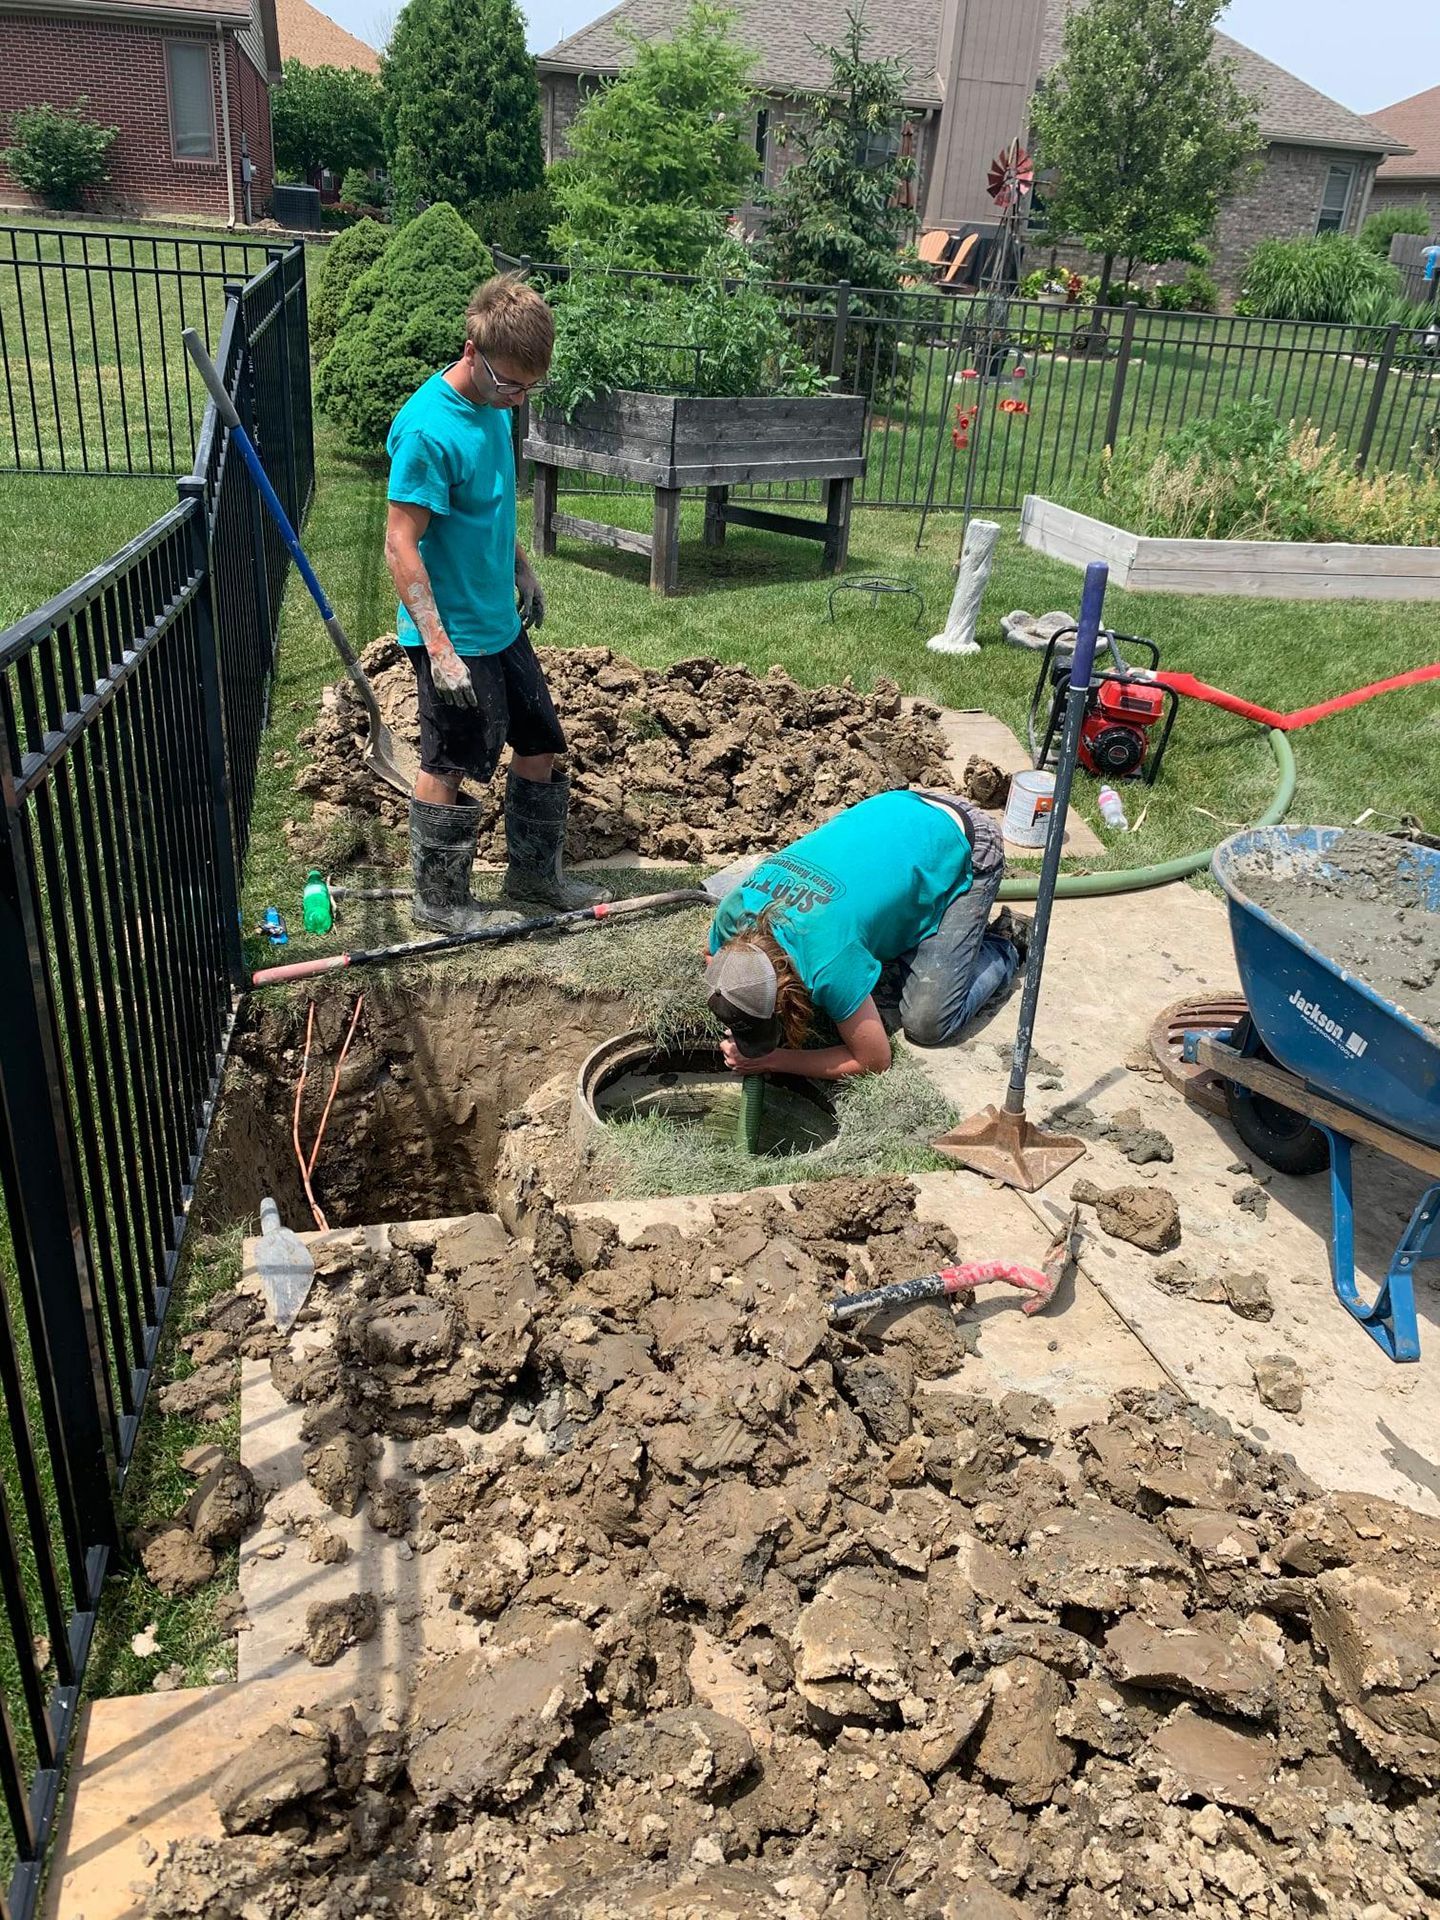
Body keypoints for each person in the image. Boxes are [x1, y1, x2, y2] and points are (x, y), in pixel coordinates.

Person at [383, 274, 605, 935]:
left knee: (538, 742)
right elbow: (400, 544)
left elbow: (491, 509)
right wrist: (440, 651)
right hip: (452, 633)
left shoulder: (496, 408)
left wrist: (522, 568)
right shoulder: (427, 431)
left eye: (529, 388)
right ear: (471, 351)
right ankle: (440, 904)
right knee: (449, 762)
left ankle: (534, 876)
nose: (518, 398)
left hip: (498, 624)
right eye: (510, 383)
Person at [704, 789, 1027, 1080]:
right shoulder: (732, 912)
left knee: (928, 1023)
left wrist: (772, 1059)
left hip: (962, 839)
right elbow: (711, 958)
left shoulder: (828, 959)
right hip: (890, 813)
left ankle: (1005, 944)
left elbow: (874, 1059)